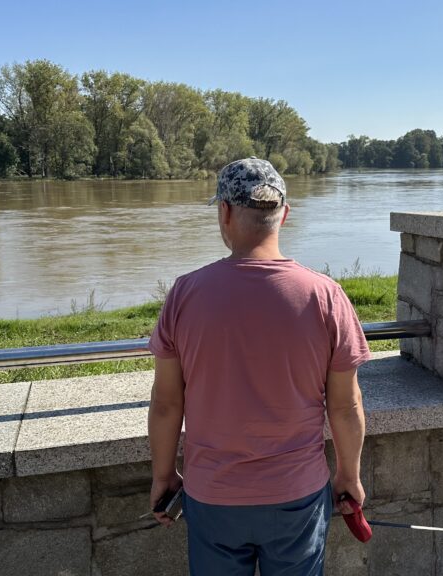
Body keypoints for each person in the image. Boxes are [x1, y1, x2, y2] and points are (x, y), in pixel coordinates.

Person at [147, 157, 371, 575]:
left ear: (224, 211)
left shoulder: (185, 294)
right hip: (296, 496)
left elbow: (165, 403)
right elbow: (345, 405)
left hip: (213, 496)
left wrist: (164, 476)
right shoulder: (325, 296)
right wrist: (348, 475)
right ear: (283, 214)